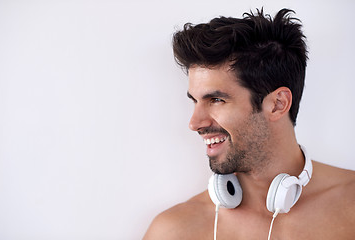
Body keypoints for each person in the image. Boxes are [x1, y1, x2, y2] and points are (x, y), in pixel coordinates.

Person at [143, 8, 355, 239]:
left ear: (277, 104)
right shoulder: (173, 231)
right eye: (195, 101)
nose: (194, 123)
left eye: (216, 100)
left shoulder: (349, 207)